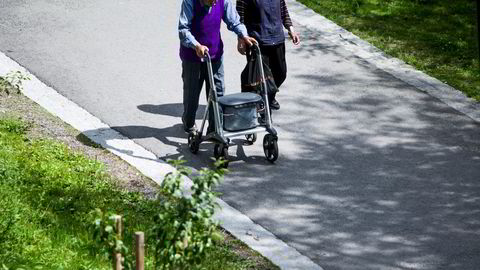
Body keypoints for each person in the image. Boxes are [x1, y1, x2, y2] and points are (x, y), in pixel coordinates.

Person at [179, 0, 257, 133]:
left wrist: (243, 35)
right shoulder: (190, 2)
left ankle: (214, 129)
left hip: (215, 55)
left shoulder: (222, 1)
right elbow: (183, 29)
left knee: (218, 92)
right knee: (192, 94)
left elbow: (234, 21)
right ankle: (189, 123)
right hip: (193, 57)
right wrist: (196, 45)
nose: (215, 2)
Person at [236, 0, 300, 110]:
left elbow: (283, 11)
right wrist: (241, 39)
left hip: (277, 39)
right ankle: (261, 104)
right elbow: (239, 17)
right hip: (257, 41)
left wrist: (291, 30)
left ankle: (269, 97)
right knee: (260, 78)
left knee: (281, 73)